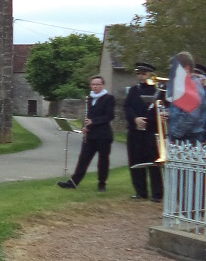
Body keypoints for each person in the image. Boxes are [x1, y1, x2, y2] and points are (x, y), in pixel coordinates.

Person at [58, 75, 116, 192]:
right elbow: (87, 116)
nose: (95, 87)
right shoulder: (89, 98)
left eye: (97, 84)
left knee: (103, 160)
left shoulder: (109, 98)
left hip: (103, 135)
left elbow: (109, 116)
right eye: (93, 84)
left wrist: (93, 122)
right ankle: (73, 182)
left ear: (102, 85)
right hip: (90, 134)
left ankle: (102, 184)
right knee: (83, 159)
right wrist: (84, 127)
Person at [123, 62, 163, 202]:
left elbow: (159, 110)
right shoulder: (134, 90)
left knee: (153, 162)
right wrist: (135, 119)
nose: (140, 76)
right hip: (135, 130)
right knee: (135, 160)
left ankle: (157, 194)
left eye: (143, 73)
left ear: (150, 74)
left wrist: (146, 120)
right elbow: (127, 107)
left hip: (150, 131)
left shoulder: (158, 91)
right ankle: (140, 191)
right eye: (139, 73)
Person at [167, 51, 206, 143]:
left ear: (186, 68)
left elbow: (191, 116)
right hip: (186, 136)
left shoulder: (193, 87)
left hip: (188, 138)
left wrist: (174, 134)